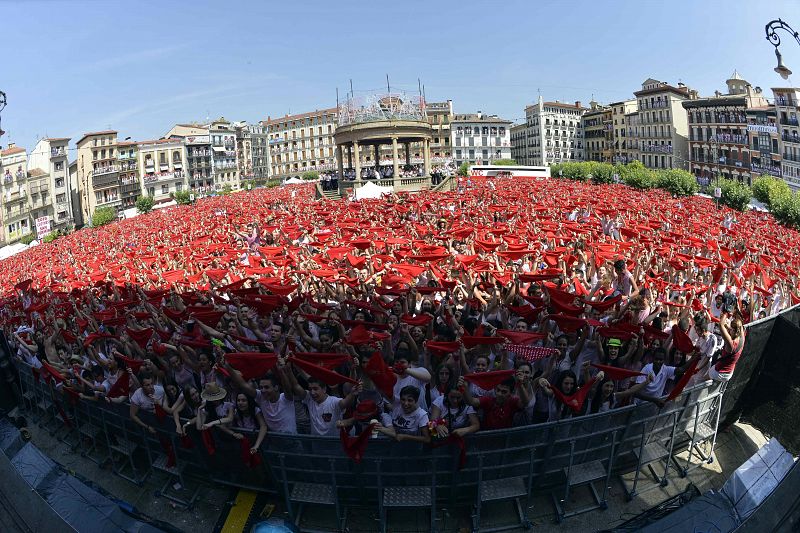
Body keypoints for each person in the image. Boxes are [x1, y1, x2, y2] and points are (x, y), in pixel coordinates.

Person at [287, 373, 360, 436]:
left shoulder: (334, 402)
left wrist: (352, 394)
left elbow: (346, 402)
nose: (312, 392)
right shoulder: (309, 399)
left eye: (315, 389)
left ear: (324, 389)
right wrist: (288, 369)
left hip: (335, 448)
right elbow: (295, 386)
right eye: (310, 389)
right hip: (316, 447)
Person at [459, 371, 531, 430]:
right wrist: (464, 388)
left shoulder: (512, 402)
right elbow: (471, 401)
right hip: (487, 438)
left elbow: (525, 402)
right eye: (498, 390)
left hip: (505, 440)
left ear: (511, 393)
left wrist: (520, 385)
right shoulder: (488, 400)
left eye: (504, 392)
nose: (499, 394)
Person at [709, 311, 746, 382]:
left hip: (719, 373)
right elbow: (740, 324)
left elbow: (720, 325)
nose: (729, 330)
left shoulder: (731, 344)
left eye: (731, 329)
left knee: (704, 380)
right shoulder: (742, 338)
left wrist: (726, 313)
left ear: (734, 330)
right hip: (729, 373)